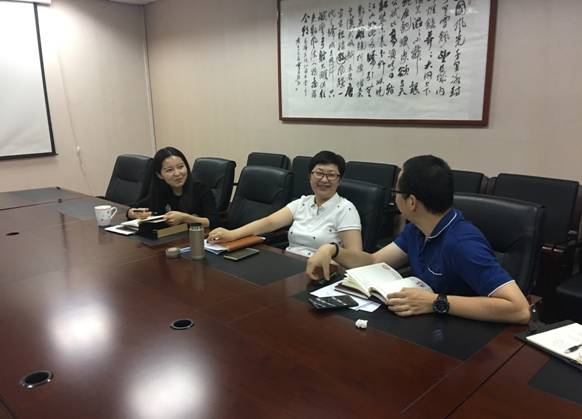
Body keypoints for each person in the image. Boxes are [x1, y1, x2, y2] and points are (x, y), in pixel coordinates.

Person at [306, 155, 531, 324]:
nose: (394, 198)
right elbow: (374, 261)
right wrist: (333, 250)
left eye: (396, 192)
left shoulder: (462, 243)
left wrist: (436, 302)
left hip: (463, 337)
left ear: (411, 202)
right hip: (426, 324)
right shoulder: (417, 229)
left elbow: (519, 310)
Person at [207, 150, 362, 257]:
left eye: (331, 175)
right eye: (319, 173)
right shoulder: (302, 202)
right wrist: (232, 234)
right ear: (310, 177)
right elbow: (268, 222)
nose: (324, 179)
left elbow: (356, 256)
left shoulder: (346, 209)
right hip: (291, 264)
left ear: (339, 180)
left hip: (322, 271)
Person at [127, 147, 218, 228]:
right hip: (170, 237)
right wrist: (133, 213)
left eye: (180, 167)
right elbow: (135, 207)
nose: (177, 173)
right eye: (170, 170)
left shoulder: (201, 189)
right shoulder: (161, 189)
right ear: (159, 175)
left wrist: (185, 218)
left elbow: (213, 222)